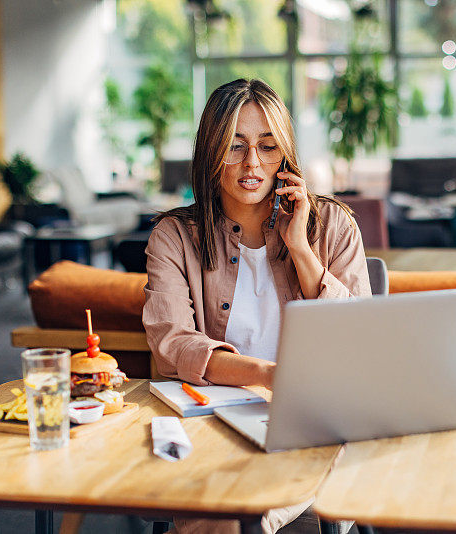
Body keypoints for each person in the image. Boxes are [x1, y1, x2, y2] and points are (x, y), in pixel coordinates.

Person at [142, 78, 370, 534]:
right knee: (221, 509)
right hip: (216, 417)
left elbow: (357, 337)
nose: (252, 164)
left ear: (284, 155)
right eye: (234, 146)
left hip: (315, 418)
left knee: (230, 513)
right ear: (211, 152)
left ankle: (253, 511)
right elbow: (173, 344)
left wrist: (301, 249)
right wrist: (267, 376)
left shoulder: (334, 226)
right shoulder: (173, 236)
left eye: (267, 147)